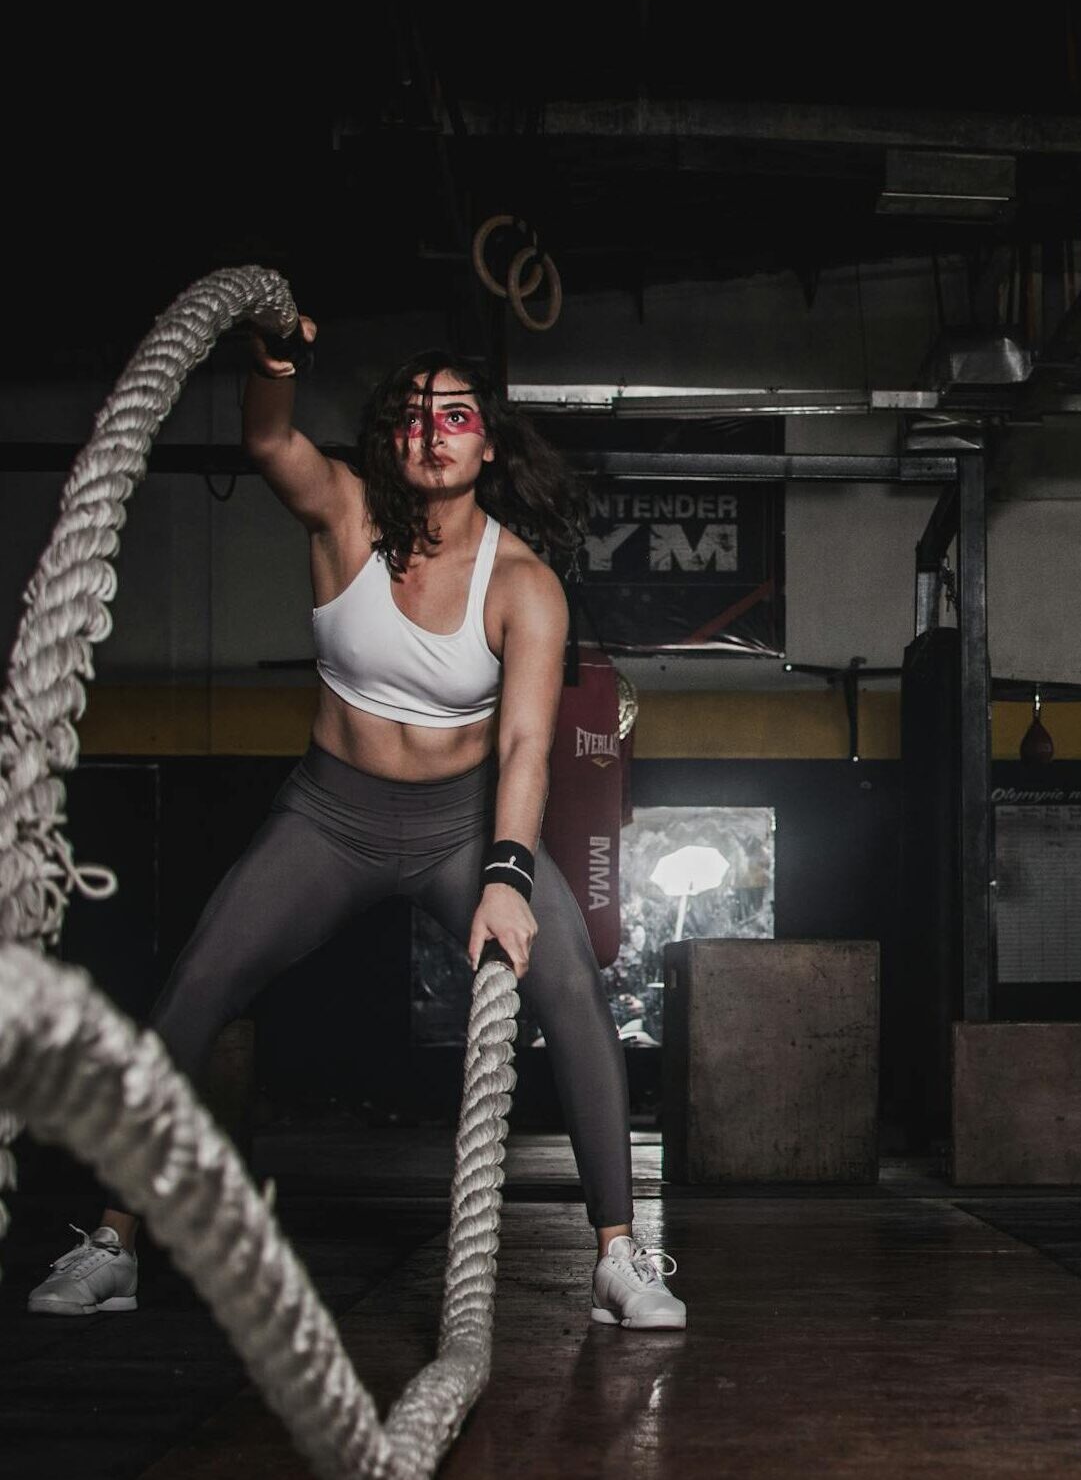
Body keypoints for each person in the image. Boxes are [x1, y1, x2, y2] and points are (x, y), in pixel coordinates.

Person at [25, 318, 685, 1331]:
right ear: (394, 438)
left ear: (486, 443)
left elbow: (523, 749)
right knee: (199, 979)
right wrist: (273, 363)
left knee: (572, 987)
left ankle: (618, 1254)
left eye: (455, 416)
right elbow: (268, 443)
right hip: (329, 814)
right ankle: (113, 1240)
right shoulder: (343, 513)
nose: (433, 433)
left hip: (465, 824)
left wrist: (508, 871)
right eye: (413, 416)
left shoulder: (523, 584)